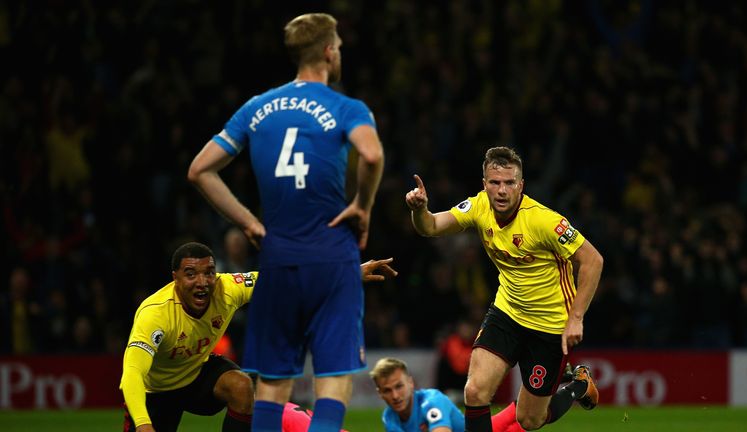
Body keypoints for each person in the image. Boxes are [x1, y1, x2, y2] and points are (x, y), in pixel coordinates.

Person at [187, 12, 384, 432]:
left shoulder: (256, 108)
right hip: (332, 259)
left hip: (276, 260)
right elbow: (372, 155)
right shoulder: (347, 107)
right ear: (329, 52)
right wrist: (363, 206)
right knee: (331, 382)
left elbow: (200, 170)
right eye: (340, 49)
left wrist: (248, 223)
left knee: (273, 387)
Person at [404, 146, 604, 432]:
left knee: (530, 419)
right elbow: (432, 226)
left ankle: (577, 387)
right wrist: (420, 209)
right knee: (474, 392)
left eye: (509, 183)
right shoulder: (478, 206)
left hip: (549, 325)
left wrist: (576, 317)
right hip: (507, 313)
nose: (501, 190)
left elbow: (593, 260)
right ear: (484, 184)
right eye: (495, 182)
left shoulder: (544, 220)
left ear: (521, 185)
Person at [120, 242, 397, 432]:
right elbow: (132, 373)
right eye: (191, 274)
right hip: (155, 391)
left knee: (241, 386)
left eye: (209, 273)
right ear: (175, 278)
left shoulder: (227, 288)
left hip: (195, 375)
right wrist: (143, 423)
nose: (202, 282)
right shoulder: (154, 314)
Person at [369, 357, 522, 432]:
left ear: (411, 383)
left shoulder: (431, 401)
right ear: (380, 393)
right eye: (387, 390)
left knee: (526, 414)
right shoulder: (389, 418)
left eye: (399, 386)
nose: (395, 396)